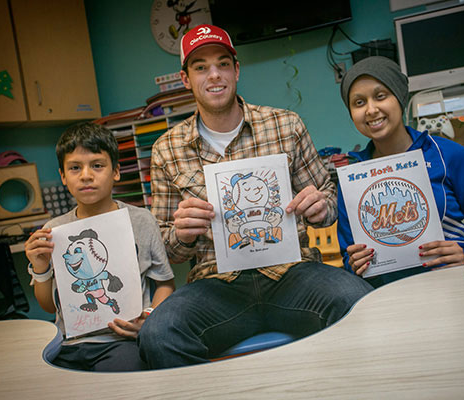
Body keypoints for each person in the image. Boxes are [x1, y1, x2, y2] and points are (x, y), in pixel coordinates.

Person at [139, 24, 373, 369]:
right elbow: (166, 248)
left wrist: (321, 206)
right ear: (186, 78)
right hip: (215, 287)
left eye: (222, 63)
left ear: (236, 69)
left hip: (294, 274)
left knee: (359, 302)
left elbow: (328, 201)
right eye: (201, 67)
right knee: (158, 335)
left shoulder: (286, 124)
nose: (214, 75)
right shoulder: (165, 150)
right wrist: (182, 234)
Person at [336, 56, 464, 288]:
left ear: (399, 98)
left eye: (381, 96)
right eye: (359, 103)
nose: (371, 109)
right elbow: (349, 257)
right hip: (389, 299)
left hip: (455, 289)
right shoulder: (352, 177)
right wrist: (354, 262)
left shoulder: (449, 155)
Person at [24, 122, 175, 371]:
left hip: (121, 341)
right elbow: (49, 306)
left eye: (97, 165)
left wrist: (147, 318)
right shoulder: (54, 230)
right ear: (62, 176)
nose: (86, 175)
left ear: (115, 171)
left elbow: (165, 283)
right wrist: (40, 268)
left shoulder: (141, 220)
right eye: (74, 168)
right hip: (68, 344)